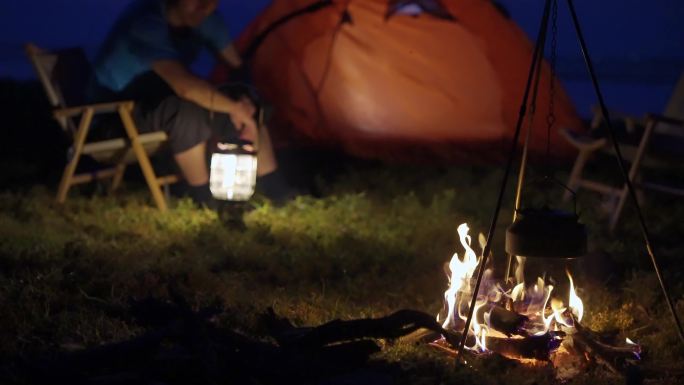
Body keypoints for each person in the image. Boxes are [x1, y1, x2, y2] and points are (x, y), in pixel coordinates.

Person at [88, 0, 295, 207]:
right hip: (113, 118)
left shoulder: (206, 19)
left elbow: (237, 66)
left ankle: (276, 191)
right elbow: (184, 86)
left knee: (244, 101)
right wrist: (235, 108)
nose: (206, 6)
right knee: (188, 111)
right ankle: (204, 198)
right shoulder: (145, 23)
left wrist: (245, 102)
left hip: (158, 105)